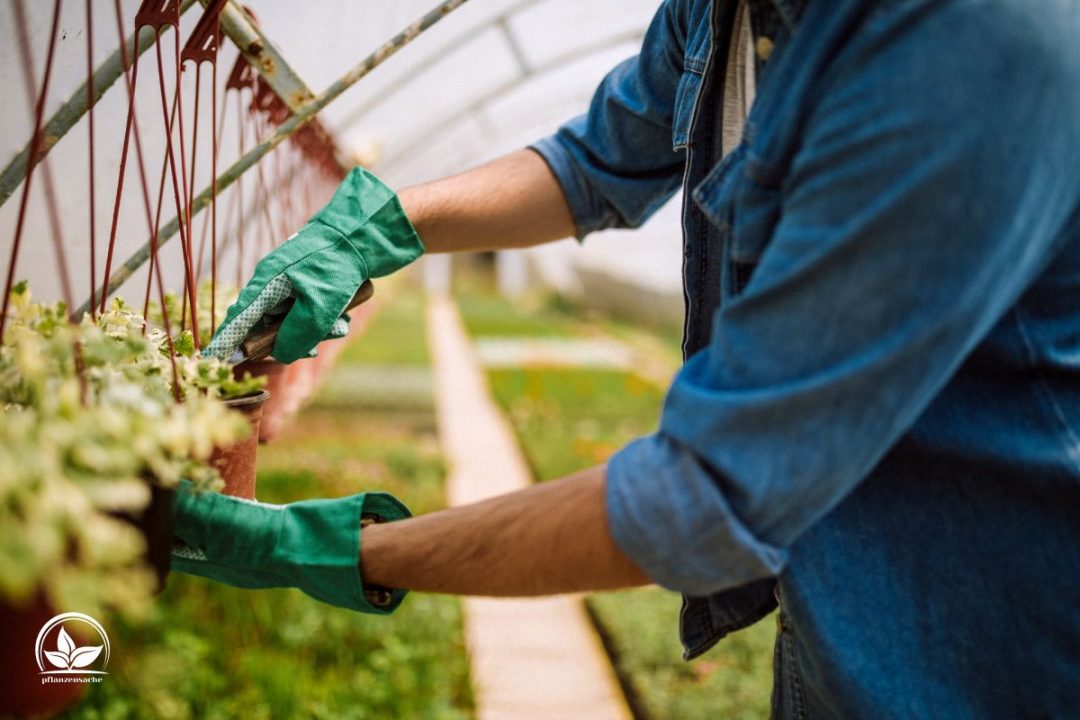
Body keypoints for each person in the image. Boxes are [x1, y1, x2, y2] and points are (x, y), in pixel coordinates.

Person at [172, 0, 1080, 716]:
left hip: (992, 644)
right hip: (836, 611)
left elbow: (698, 500)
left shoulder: (962, 47)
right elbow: (596, 160)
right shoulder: (729, 12)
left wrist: (331, 550)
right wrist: (378, 229)